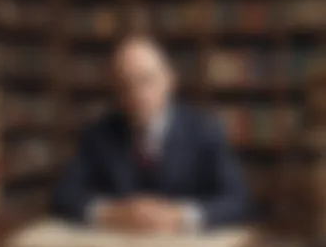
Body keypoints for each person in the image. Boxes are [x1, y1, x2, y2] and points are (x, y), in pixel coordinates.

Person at [52, 34, 248, 234]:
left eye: (146, 80)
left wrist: (179, 216)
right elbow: (64, 196)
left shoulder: (205, 131)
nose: (137, 93)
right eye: (125, 84)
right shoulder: (99, 134)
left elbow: (237, 200)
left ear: (170, 80)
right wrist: (112, 213)